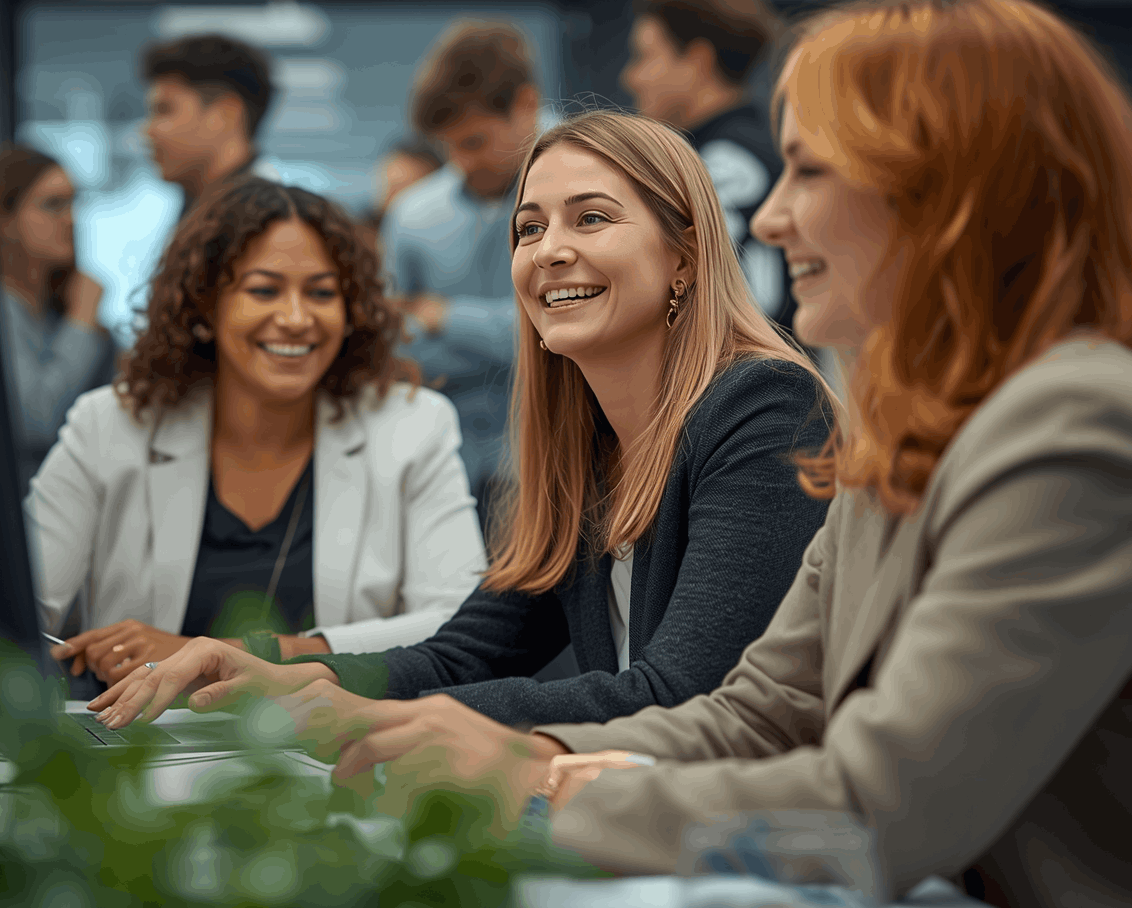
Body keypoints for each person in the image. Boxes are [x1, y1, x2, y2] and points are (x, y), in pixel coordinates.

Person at [220, 0, 1132, 908]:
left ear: (953, 191)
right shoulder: (898, 443)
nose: (775, 216)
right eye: (530, 226)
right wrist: (520, 752)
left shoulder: (1071, 420)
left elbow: (878, 800)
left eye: (811, 171)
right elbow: (757, 708)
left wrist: (539, 785)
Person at [90, 111, 832, 739]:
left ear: (687, 253)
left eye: (592, 218)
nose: (550, 250)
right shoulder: (588, 446)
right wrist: (263, 668)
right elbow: (459, 658)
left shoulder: (764, 408)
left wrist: (361, 715)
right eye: (529, 227)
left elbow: (683, 694)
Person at [31, 179, 486, 688]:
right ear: (204, 308)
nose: (295, 319)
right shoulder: (109, 426)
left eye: (320, 293)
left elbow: (461, 626)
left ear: (351, 310)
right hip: (137, 747)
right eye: (263, 290)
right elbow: (9, 617)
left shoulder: (412, 426)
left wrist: (242, 655)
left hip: (333, 746)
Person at [379, 21, 541, 531]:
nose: (462, 163)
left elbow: (584, 334)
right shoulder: (412, 216)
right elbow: (394, 346)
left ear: (526, 105)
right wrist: (509, 334)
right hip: (447, 467)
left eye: (475, 141)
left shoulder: (601, 189)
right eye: (450, 147)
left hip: (568, 466)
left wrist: (445, 318)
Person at [621, 0, 794, 331]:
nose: (630, 77)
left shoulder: (729, 160)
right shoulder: (742, 144)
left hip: (750, 379)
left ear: (697, 61)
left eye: (645, 56)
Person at [0, 144, 116, 496]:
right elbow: (37, 421)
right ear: (6, 222)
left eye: (73, 203)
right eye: (52, 205)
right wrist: (81, 322)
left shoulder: (59, 308)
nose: (71, 218)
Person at [142, 34, 278, 212]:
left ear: (225, 114)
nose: (148, 130)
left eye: (164, 110)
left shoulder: (269, 222)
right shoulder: (204, 207)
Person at [357, 137, 445, 257]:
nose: (391, 199)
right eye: (390, 186)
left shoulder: (437, 243)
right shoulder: (357, 236)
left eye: (403, 190)